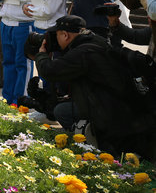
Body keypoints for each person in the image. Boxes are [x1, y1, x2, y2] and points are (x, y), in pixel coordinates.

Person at [35, 15, 156, 159]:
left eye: (57, 35)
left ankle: (94, 146)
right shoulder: (95, 40)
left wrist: (41, 55)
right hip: (122, 107)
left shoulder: (82, 53)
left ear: (65, 35)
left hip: (109, 112)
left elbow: (50, 71)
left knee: (62, 111)